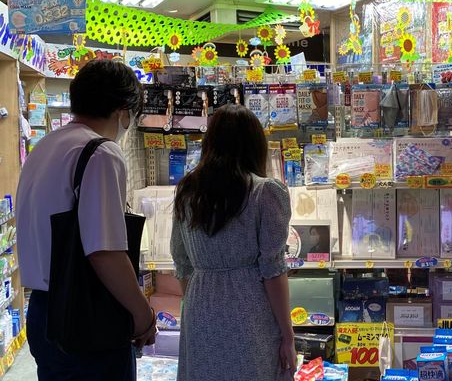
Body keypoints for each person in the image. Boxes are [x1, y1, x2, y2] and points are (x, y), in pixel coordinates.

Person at [16, 59, 156, 380]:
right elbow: (104, 252)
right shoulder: (100, 152)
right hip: (86, 312)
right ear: (123, 111)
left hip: (42, 310)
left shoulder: (45, 146)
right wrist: (142, 314)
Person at [172, 104, 296, 381]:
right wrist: (288, 335)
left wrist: (200, 299)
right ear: (255, 144)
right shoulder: (266, 192)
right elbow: (272, 270)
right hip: (249, 310)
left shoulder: (187, 190)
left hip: (199, 306)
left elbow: (181, 262)